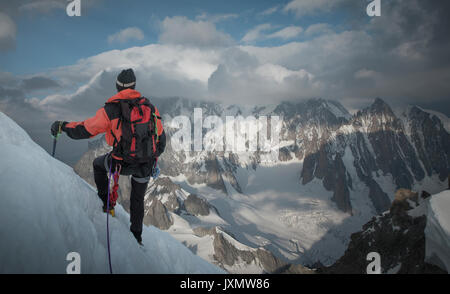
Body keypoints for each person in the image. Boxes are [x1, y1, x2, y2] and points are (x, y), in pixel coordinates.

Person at [51, 68, 166, 244]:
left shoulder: (111, 110)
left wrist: (64, 126)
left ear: (117, 86)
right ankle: (137, 238)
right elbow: (161, 139)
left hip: (121, 162)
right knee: (137, 200)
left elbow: (85, 129)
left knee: (98, 164)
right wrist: (151, 157)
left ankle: (106, 204)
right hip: (145, 164)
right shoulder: (150, 108)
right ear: (134, 85)